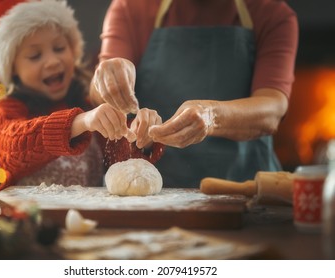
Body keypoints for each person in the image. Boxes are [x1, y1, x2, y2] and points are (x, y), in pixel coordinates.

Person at [90, 0, 299, 188]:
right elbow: (96, 93)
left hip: (248, 187)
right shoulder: (131, 7)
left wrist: (211, 115)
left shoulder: (272, 13)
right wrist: (109, 77)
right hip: (155, 195)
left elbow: (273, 109)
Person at [0, 0, 163, 192]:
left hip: (86, 220)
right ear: (13, 69)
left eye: (59, 48)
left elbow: (118, 160)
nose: (52, 62)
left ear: (73, 51)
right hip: (26, 219)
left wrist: (141, 139)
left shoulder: (89, 105)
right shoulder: (8, 110)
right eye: (34, 56)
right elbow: (12, 147)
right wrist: (79, 122)